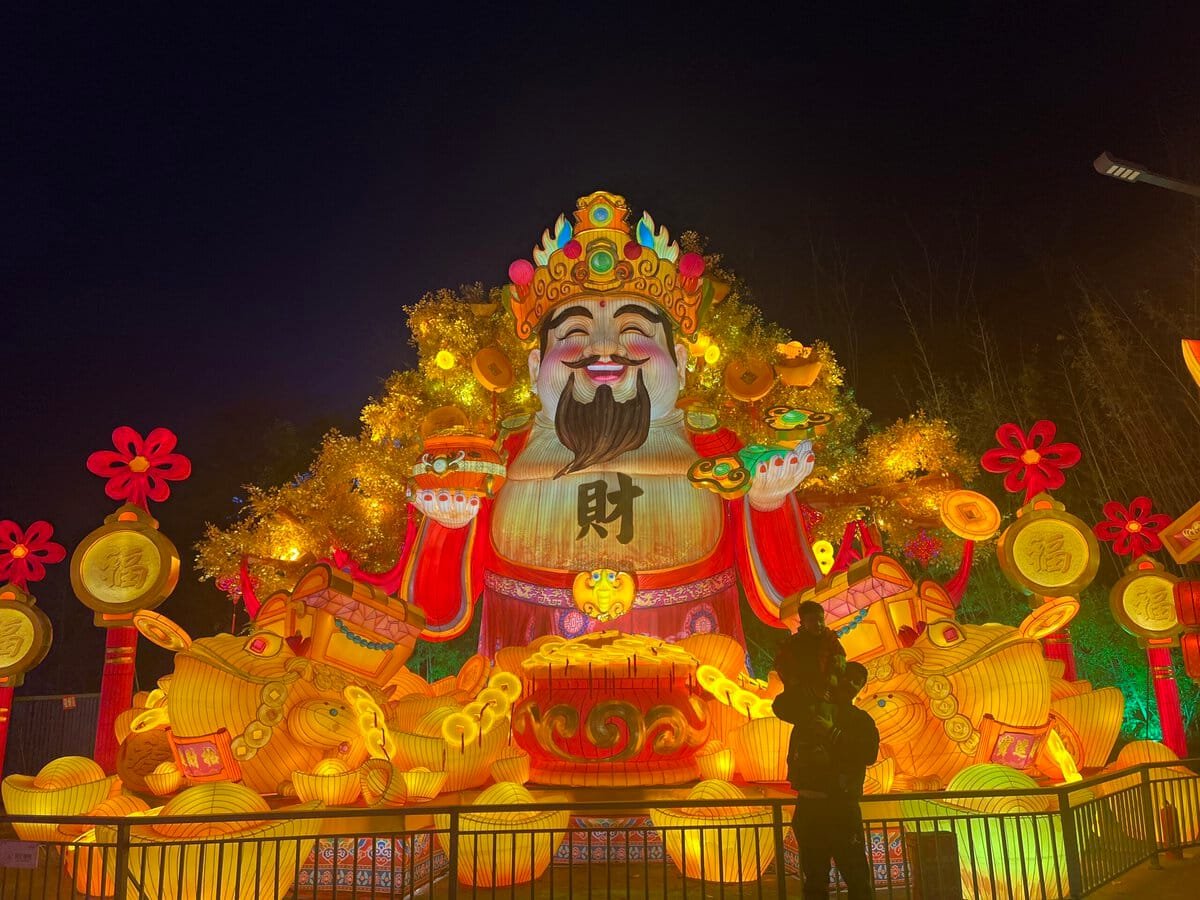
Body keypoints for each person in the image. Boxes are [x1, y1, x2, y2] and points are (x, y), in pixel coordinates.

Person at [777, 660, 879, 900]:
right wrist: (811, 686)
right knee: (814, 878)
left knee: (856, 875)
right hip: (809, 807)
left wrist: (833, 734)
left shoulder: (860, 720)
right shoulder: (810, 711)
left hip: (841, 807)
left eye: (857, 681)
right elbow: (781, 706)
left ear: (861, 688)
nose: (851, 683)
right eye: (847, 677)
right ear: (836, 677)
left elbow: (869, 754)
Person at [773, 600, 847, 782]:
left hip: (828, 698)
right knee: (805, 735)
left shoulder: (830, 640)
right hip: (804, 700)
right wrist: (808, 689)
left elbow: (840, 661)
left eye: (821, 619)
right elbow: (786, 670)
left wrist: (834, 676)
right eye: (813, 620)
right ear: (803, 622)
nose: (818, 624)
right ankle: (800, 773)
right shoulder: (792, 645)